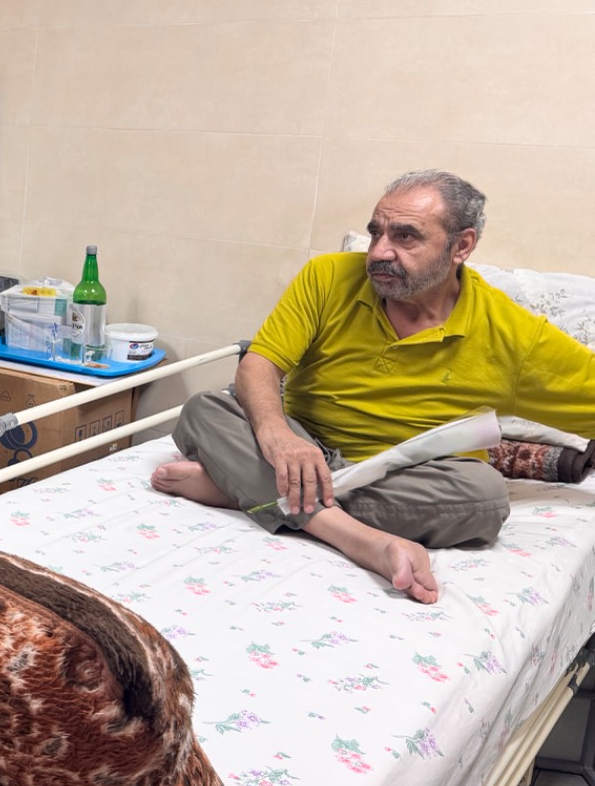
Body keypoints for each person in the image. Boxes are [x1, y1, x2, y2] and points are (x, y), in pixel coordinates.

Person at [151, 170, 595, 605]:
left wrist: (252, 478)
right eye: (376, 232)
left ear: (461, 246)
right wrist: (277, 435)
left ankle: (243, 489)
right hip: (301, 446)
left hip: (409, 476)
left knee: (484, 499)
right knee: (204, 409)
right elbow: (258, 365)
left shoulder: (513, 335)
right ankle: (359, 539)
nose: (380, 251)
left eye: (405, 236)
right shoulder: (327, 277)